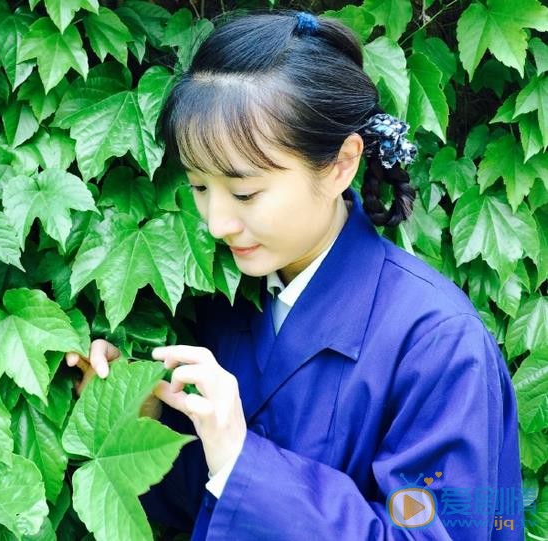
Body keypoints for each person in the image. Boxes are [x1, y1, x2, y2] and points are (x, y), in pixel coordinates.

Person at [65, 9, 523, 540]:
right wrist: (144, 423)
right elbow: (202, 511)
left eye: (244, 193)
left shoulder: (441, 346)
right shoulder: (226, 301)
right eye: (198, 187)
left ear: (340, 166)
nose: (216, 223)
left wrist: (244, 462)